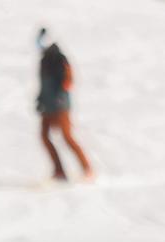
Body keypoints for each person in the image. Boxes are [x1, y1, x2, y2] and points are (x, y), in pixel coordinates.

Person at [35, 28, 92, 182]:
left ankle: (87, 169)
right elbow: (43, 85)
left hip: (60, 106)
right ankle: (59, 171)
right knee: (44, 136)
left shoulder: (58, 58)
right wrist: (39, 99)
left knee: (67, 137)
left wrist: (61, 96)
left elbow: (68, 79)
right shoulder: (44, 60)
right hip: (47, 106)